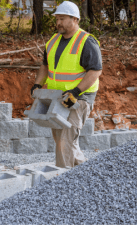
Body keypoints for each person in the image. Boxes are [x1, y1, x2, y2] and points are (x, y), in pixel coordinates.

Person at [30, 1, 102, 168]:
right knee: (62, 139)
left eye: (62, 18)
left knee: (66, 140)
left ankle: (62, 180)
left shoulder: (86, 41)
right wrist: (37, 85)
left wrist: (76, 92)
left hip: (79, 98)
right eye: (57, 19)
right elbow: (45, 65)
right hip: (58, 97)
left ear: (75, 19)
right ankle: (83, 174)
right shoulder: (53, 40)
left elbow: (95, 71)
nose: (58, 23)